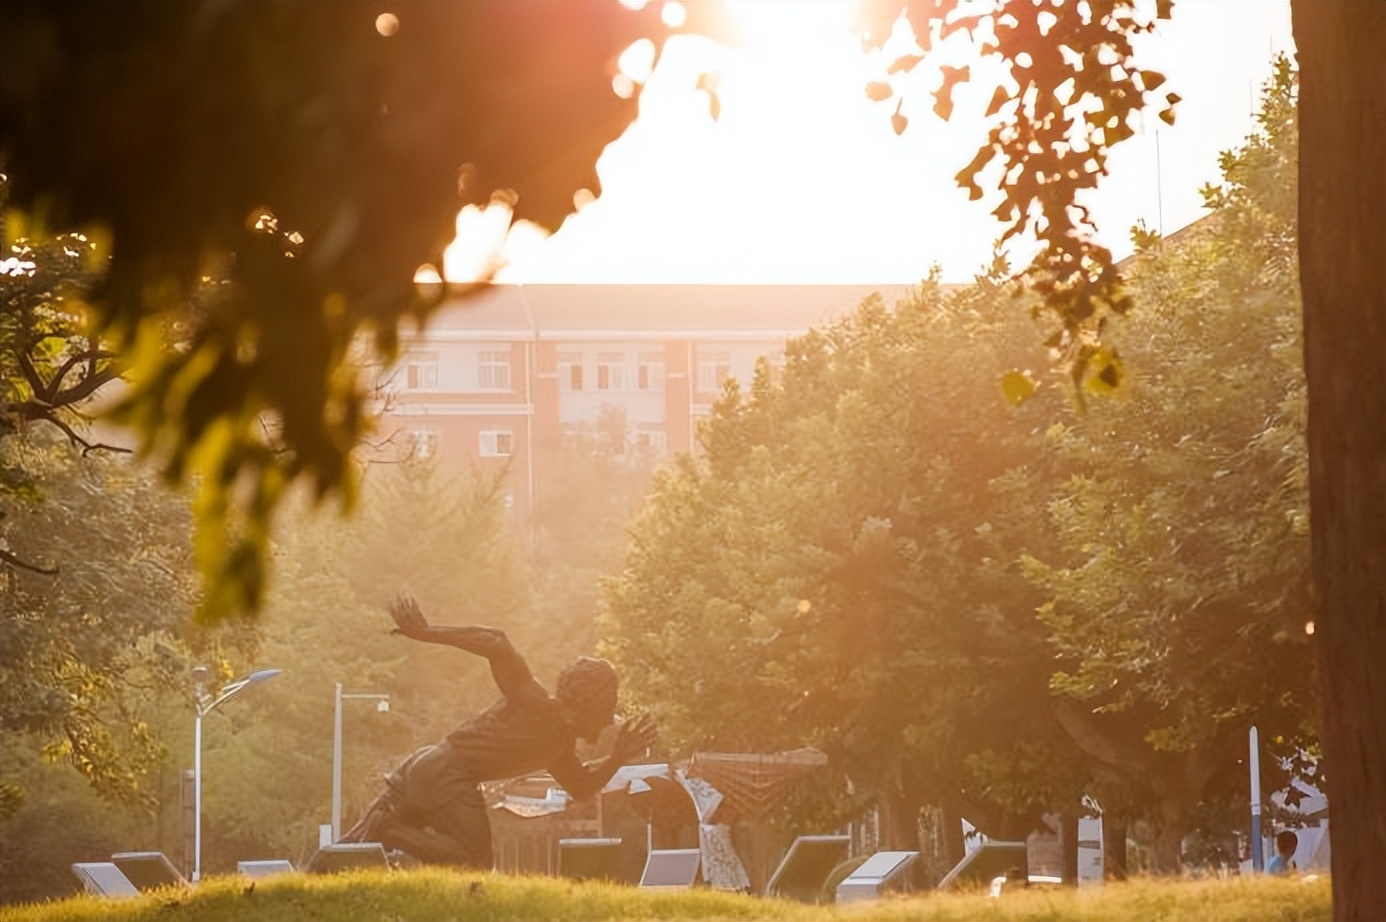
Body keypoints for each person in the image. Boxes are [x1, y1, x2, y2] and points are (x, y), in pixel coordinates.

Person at [341, 595, 658, 867]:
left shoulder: (559, 745)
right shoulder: (535, 704)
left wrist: (617, 757)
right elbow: (496, 642)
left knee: (350, 850)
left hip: (433, 770)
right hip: (446, 774)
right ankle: (389, 831)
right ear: (588, 706)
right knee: (473, 860)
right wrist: (426, 632)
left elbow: (581, 787)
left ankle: (375, 842)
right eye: (607, 710)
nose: (607, 723)